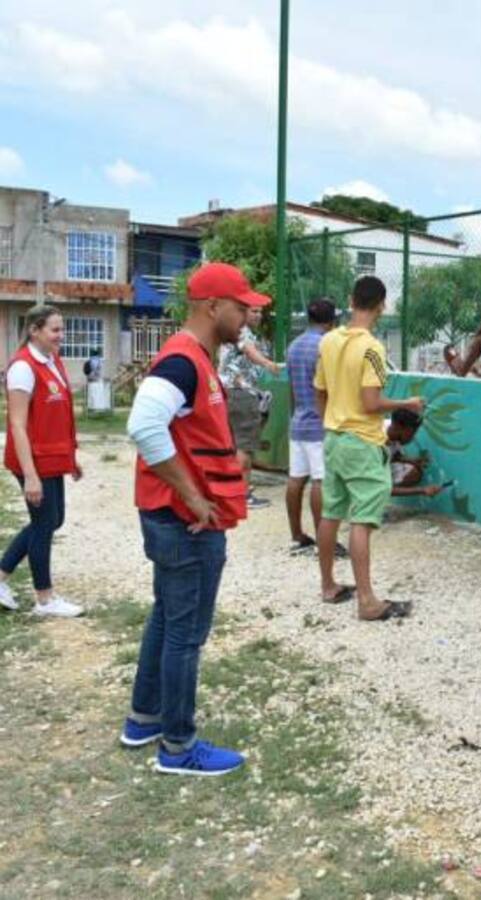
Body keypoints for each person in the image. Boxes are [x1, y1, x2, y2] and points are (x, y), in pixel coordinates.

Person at [120, 261, 269, 776]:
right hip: (186, 521)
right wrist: (194, 495)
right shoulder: (183, 360)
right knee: (186, 632)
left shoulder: (197, 359)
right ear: (213, 307)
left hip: (175, 518)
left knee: (167, 616)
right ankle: (179, 747)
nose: (248, 316)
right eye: (242, 306)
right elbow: (142, 425)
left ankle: (144, 719)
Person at [315, 275, 424, 621]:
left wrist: (333, 420)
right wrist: (409, 402)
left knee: (331, 513)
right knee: (362, 520)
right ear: (382, 305)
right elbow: (371, 402)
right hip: (362, 442)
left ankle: (329, 586)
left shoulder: (329, 341)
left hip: (333, 438)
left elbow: (320, 391)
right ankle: (367, 601)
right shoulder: (374, 348)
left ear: (351, 300)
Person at [0, 305, 83, 617]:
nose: (61, 336)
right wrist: (30, 476)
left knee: (51, 520)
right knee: (44, 524)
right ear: (34, 330)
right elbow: (18, 425)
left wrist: (70, 458)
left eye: (62, 329)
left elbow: (58, 417)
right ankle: (45, 599)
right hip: (32, 460)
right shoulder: (23, 367)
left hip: (51, 458)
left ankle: (1, 576)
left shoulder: (52, 360)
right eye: (55, 330)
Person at [285, 298, 338, 555]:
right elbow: (327, 388)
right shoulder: (325, 346)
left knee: (296, 479)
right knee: (320, 481)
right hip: (319, 424)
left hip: (298, 422)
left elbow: (292, 387)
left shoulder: (293, 345)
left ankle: (296, 535)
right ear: (331, 321)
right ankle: (322, 540)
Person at [218, 304, 281, 509]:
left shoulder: (231, 331)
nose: (258, 315)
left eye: (260, 311)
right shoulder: (242, 331)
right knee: (245, 447)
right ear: (242, 312)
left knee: (234, 444)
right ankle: (242, 495)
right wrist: (267, 363)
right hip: (241, 393)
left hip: (230, 391)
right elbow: (249, 350)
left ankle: (232, 490)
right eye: (253, 311)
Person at [387, 408, 445, 498]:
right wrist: (422, 490)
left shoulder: (392, 429)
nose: (413, 437)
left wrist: (410, 460)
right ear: (399, 427)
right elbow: (379, 488)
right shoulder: (375, 445)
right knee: (378, 489)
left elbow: (393, 454)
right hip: (363, 478)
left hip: (378, 468)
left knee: (414, 473)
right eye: (412, 433)